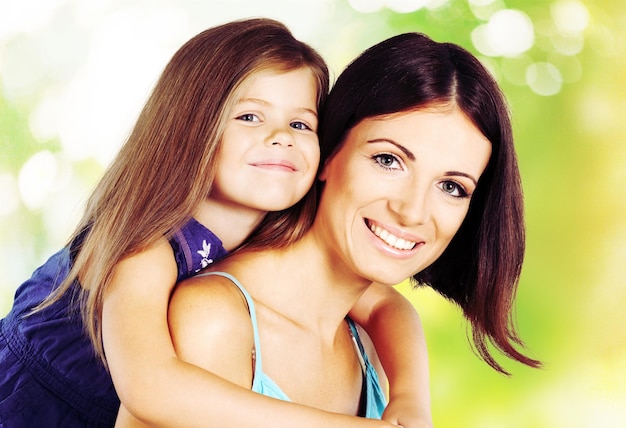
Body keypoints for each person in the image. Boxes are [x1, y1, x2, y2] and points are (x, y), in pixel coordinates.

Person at [0, 18, 430, 428]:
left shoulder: (280, 238)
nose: (282, 136)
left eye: (300, 123)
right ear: (191, 127)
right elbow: (150, 388)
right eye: (250, 116)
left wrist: (410, 399)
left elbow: (385, 304)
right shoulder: (147, 246)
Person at [164, 31, 541, 427]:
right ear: (328, 153)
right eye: (388, 160)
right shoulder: (216, 320)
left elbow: (391, 308)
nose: (412, 212)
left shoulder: (371, 345)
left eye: (452, 187)